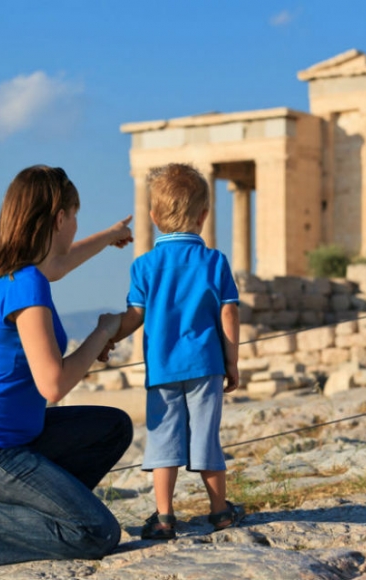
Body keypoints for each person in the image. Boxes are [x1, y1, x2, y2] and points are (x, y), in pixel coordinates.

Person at [0, 165, 135, 569]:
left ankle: (38, 510)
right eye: (75, 215)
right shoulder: (26, 284)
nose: (75, 225)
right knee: (97, 532)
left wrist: (109, 237)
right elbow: (54, 385)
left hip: (8, 439)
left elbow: (60, 263)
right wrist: (102, 333)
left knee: (113, 428)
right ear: (59, 218)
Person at [101, 163, 244, 540]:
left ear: (153, 216)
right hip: (206, 366)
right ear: (204, 215)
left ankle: (164, 517)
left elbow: (135, 317)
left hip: (162, 369)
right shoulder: (215, 262)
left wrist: (109, 337)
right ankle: (220, 512)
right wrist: (232, 361)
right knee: (207, 437)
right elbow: (228, 313)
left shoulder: (144, 266)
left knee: (163, 439)